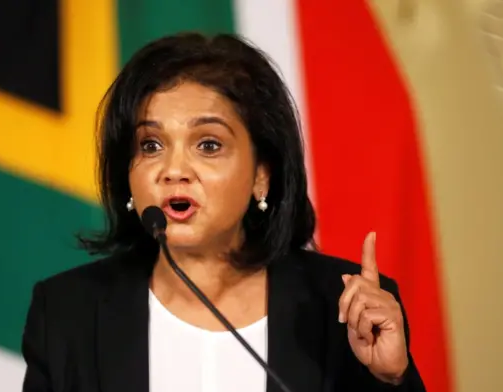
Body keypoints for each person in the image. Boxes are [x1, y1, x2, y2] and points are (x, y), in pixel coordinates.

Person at [21, 32, 426, 392]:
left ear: (261, 176)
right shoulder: (66, 314)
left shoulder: (344, 311)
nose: (174, 171)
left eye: (208, 145)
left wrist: (391, 380)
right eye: (150, 145)